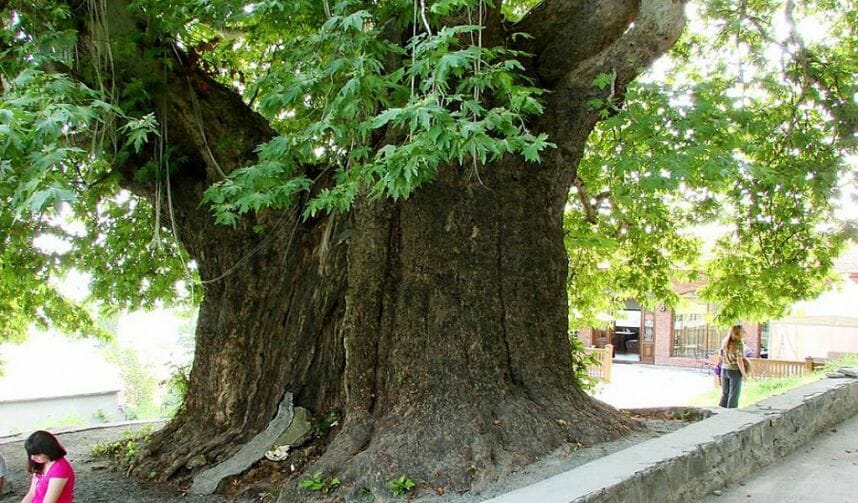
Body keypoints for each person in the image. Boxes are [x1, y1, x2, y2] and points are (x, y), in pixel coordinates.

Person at [20, 431, 75, 503]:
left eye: (37, 454)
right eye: (31, 454)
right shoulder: (41, 463)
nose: (32, 458)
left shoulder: (60, 469)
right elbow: (32, 493)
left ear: (48, 450)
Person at [719, 324, 748, 408]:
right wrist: (744, 374)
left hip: (724, 369)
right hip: (734, 371)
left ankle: (720, 414)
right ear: (739, 333)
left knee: (725, 394)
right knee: (733, 395)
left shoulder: (725, 341)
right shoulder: (739, 344)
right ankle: (730, 416)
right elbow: (739, 361)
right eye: (742, 332)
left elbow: (720, 355)